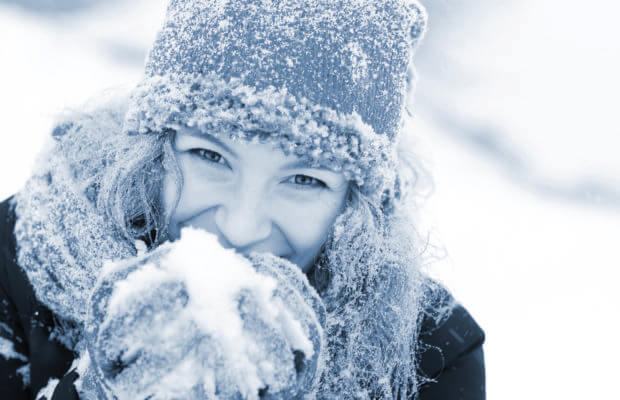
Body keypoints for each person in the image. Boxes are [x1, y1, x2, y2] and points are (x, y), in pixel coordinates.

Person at [0, 0, 485, 398]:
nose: (239, 227)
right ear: (153, 150)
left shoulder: (428, 356)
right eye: (210, 155)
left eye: (304, 180)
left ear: (353, 207)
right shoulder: (22, 259)